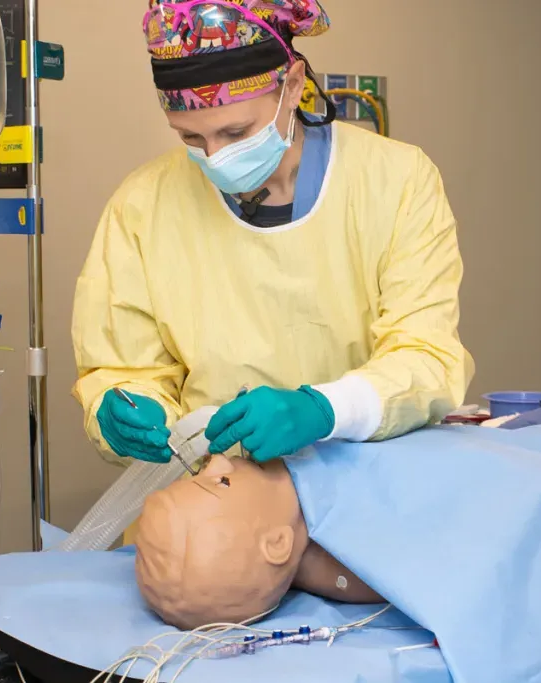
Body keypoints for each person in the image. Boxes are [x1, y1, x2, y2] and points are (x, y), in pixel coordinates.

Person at [72, 0, 474, 467]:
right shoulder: (142, 205)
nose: (215, 157)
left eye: (236, 132)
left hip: (359, 493)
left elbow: (426, 355)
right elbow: (124, 367)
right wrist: (126, 408)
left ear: (294, 84)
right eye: (190, 139)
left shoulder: (396, 180)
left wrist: (326, 409)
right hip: (211, 494)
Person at [135, 453, 382, 629]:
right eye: (223, 482)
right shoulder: (358, 569)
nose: (217, 459)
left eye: (197, 471)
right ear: (277, 544)